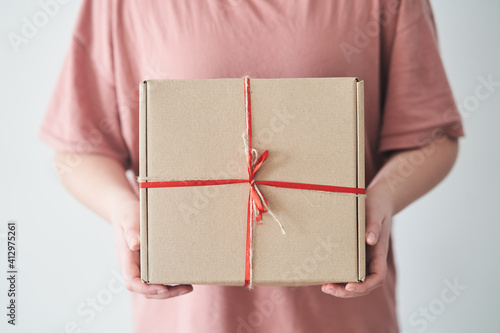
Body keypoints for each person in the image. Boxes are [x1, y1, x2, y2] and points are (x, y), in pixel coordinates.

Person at [39, 0, 464, 332]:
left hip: (341, 316)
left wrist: (379, 201)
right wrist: (127, 215)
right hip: (188, 320)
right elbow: (80, 149)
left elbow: (433, 136)